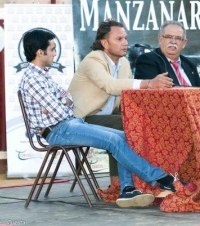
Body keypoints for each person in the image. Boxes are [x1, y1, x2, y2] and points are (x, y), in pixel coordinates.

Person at [19, 28, 179, 208]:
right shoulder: (32, 78)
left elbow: (69, 99)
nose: (55, 53)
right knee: (113, 140)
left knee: (122, 136)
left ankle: (127, 190)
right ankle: (161, 178)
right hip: (57, 130)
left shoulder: (44, 76)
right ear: (40, 53)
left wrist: (62, 103)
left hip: (68, 124)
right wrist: (61, 104)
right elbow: (60, 111)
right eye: (53, 49)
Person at [68, 19, 174, 191]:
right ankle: (121, 184)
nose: (125, 43)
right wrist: (148, 83)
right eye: (119, 39)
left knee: (145, 121)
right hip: (82, 120)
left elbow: (128, 95)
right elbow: (110, 86)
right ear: (104, 43)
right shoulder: (92, 61)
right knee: (126, 125)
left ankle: (150, 178)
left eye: (125, 38)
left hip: (106, 116)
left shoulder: (123, 62)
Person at [134, 20, 200, 87]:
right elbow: (148, 95)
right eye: (169, 37)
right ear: (160, 39)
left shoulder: (189, 65)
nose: (173, 41)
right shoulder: (147, 60)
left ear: (184, 43)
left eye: (178, 38)